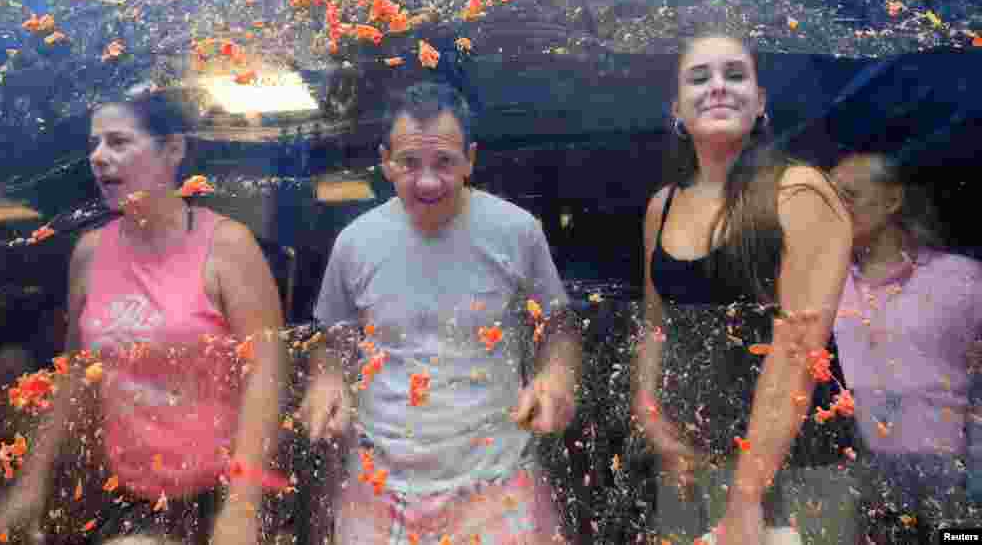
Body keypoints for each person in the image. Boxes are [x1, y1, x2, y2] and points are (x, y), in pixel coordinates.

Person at [0, 84, 285, 545]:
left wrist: (242, 505)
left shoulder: (228, 247)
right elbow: (73, 376)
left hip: (213, 496)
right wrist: (32, 483)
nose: (97, 156)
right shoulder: (91, 253)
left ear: (173, 149)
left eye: (117, 142)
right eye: (94, 143)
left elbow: (267, 376)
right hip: (120, 493)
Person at [298, 80, 581, 544]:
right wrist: (326, 379)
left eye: (445, 162)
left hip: (495, 478)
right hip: (379, 481)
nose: (428, 180)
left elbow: (559, 327)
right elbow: (330, 339)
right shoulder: (355, 242)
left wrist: (556, 377)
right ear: (387, 160)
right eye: (410, 163)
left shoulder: (516, 231)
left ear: (470, 158)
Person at [630, 30, 853, 544]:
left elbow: (799, 354)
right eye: (699, 77)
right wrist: (652, 418)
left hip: (796, 465)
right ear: (677, 107)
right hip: (695, 456)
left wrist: (747, 494)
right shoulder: (661, 206)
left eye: (735, 75)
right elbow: (655, 324)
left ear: (760, 101)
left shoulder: (799, 191)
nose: (718, 88)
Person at [830, 152, 982, 543]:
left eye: (848, 195)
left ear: (891, 200)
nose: (835, 209)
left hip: (946, 479)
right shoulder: (823, 286)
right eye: (828, 199)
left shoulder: (962, 279)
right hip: (851, 482)